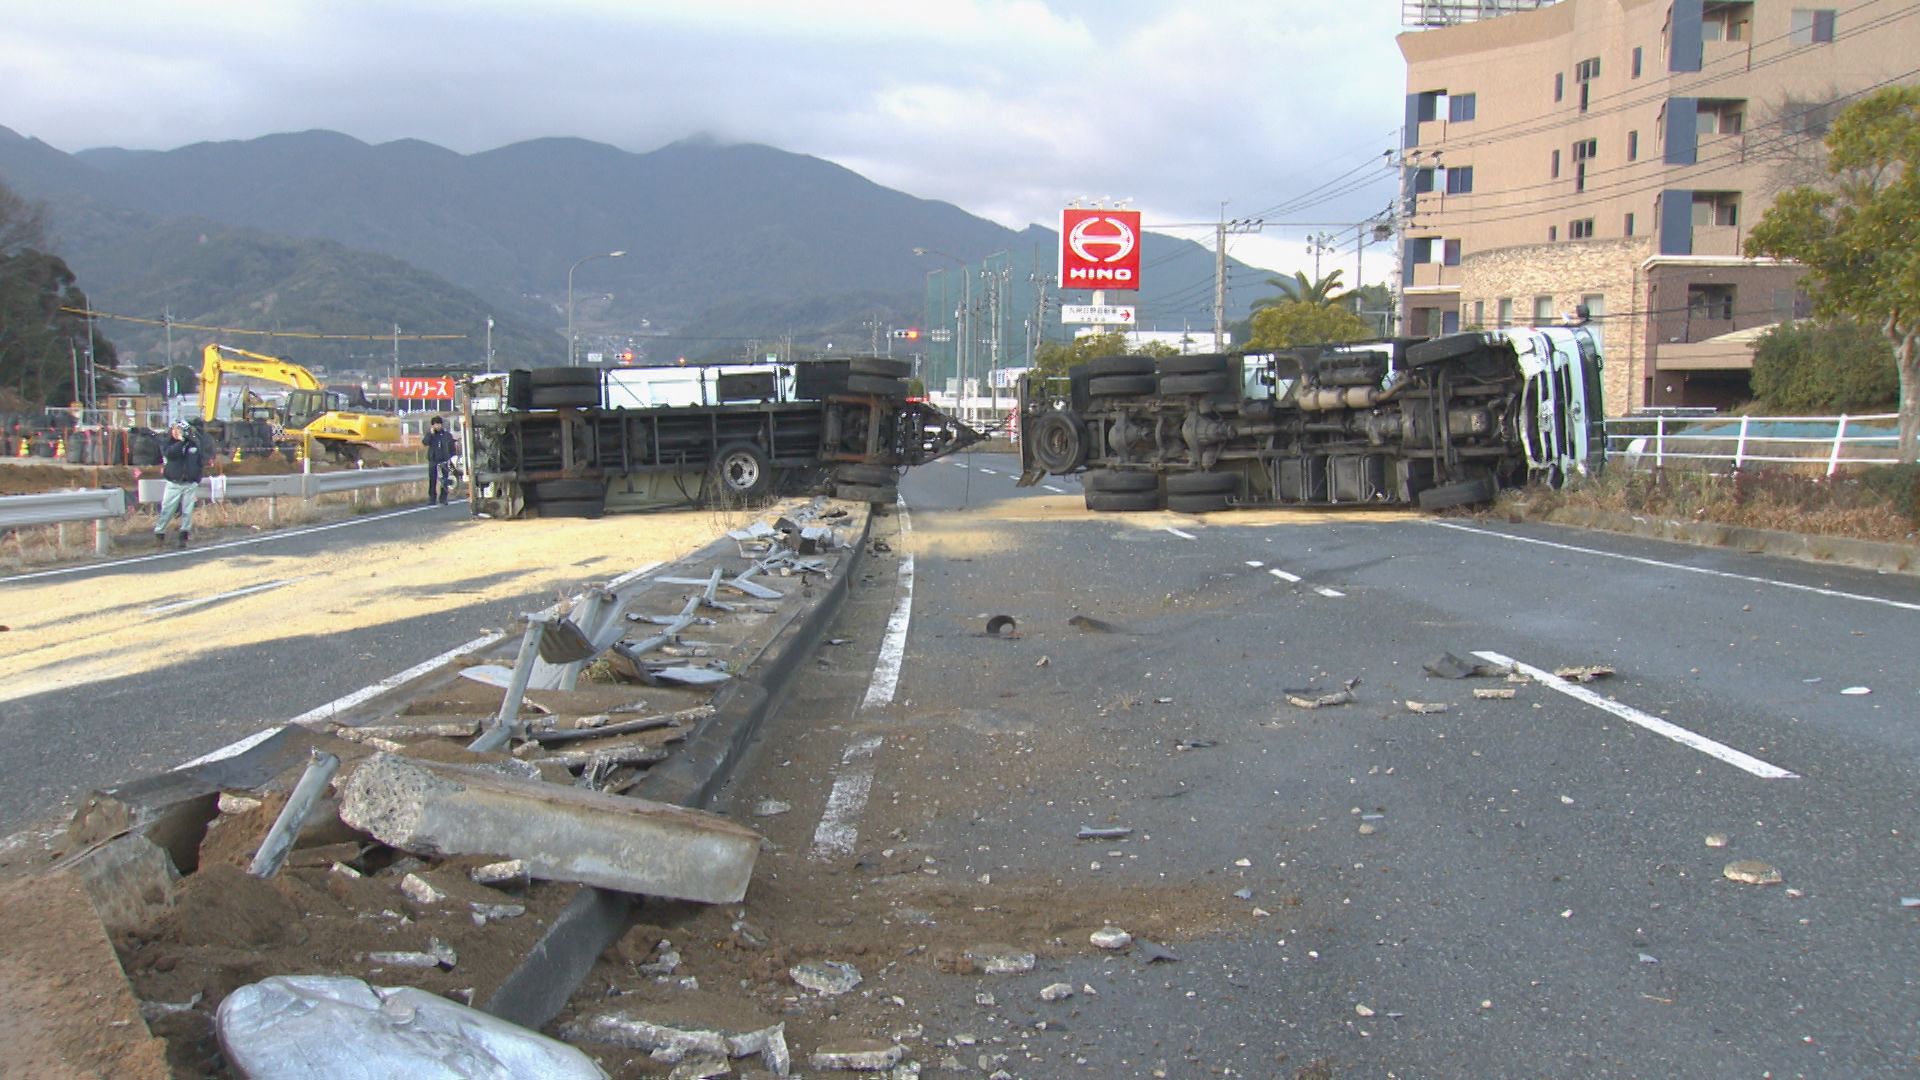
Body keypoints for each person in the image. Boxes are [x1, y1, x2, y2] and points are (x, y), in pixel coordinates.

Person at [154, 421, 204, 548]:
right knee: (167, 510)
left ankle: (184, 535)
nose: (176, 432)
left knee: (187, 511)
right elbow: (169, 454)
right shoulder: (168, 443)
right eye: (174, 430)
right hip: (173, 483)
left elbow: (199, 461)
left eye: (179, 430)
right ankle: (160, 533)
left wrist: (196, 478)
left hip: (189, 483)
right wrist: (181, 442)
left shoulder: (193, 445)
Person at [424, 416, 458, 505]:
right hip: (433, 460)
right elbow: (425, 442)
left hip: (444, 461)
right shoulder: (430, 435)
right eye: (435, 424)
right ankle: (432, 498)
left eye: (439, 424)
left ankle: (443, 498)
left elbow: (452, 447)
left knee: (444, 480)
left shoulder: (447, 435)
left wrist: (452, 458)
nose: (437, 426)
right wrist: (430, 434)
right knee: (432, 480)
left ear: (441, 424)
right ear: (432, 425)